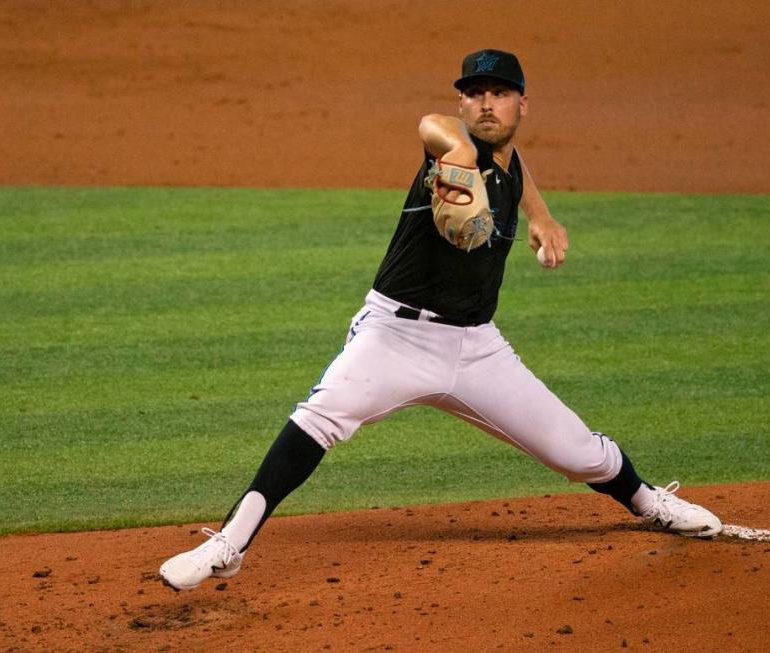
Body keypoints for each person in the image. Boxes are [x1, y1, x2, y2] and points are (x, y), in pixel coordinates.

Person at [159, 49, 722, 592]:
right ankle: (226, 544)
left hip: (478, 348)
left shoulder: (507, 163)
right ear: (461, 105)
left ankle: (651, 502)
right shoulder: (451, 149)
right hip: (394, 336)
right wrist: (455, 153)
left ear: (521, 105)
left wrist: (544, 218)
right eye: (473, 94)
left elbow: (515, 168)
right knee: (320, 418)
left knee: (574, 450)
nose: (485, 104)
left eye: (499, 93)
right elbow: (431, 125)